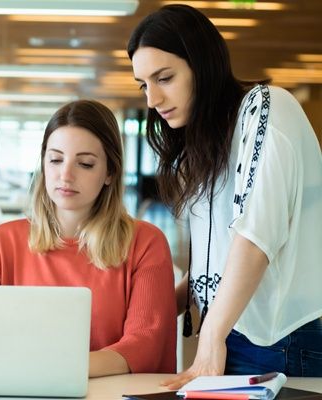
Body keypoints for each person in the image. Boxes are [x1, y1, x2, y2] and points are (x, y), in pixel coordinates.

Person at [127, 4, 322, 386]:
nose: (152, 99)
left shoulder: (266, 107)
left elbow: (256, 236)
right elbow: (218, 253)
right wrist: (156, 306)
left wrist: (212, 335)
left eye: (164, 78)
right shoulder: (204, 143)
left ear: (202, 64)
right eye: (144, 84)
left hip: (280, 339)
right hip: (235, 332)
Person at [0, 100, 177, 377]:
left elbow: (144, 347)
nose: (65, 175)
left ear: (110, 173)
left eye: (85, 164)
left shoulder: (145, 243)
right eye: (55, 159)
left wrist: (53, 371)